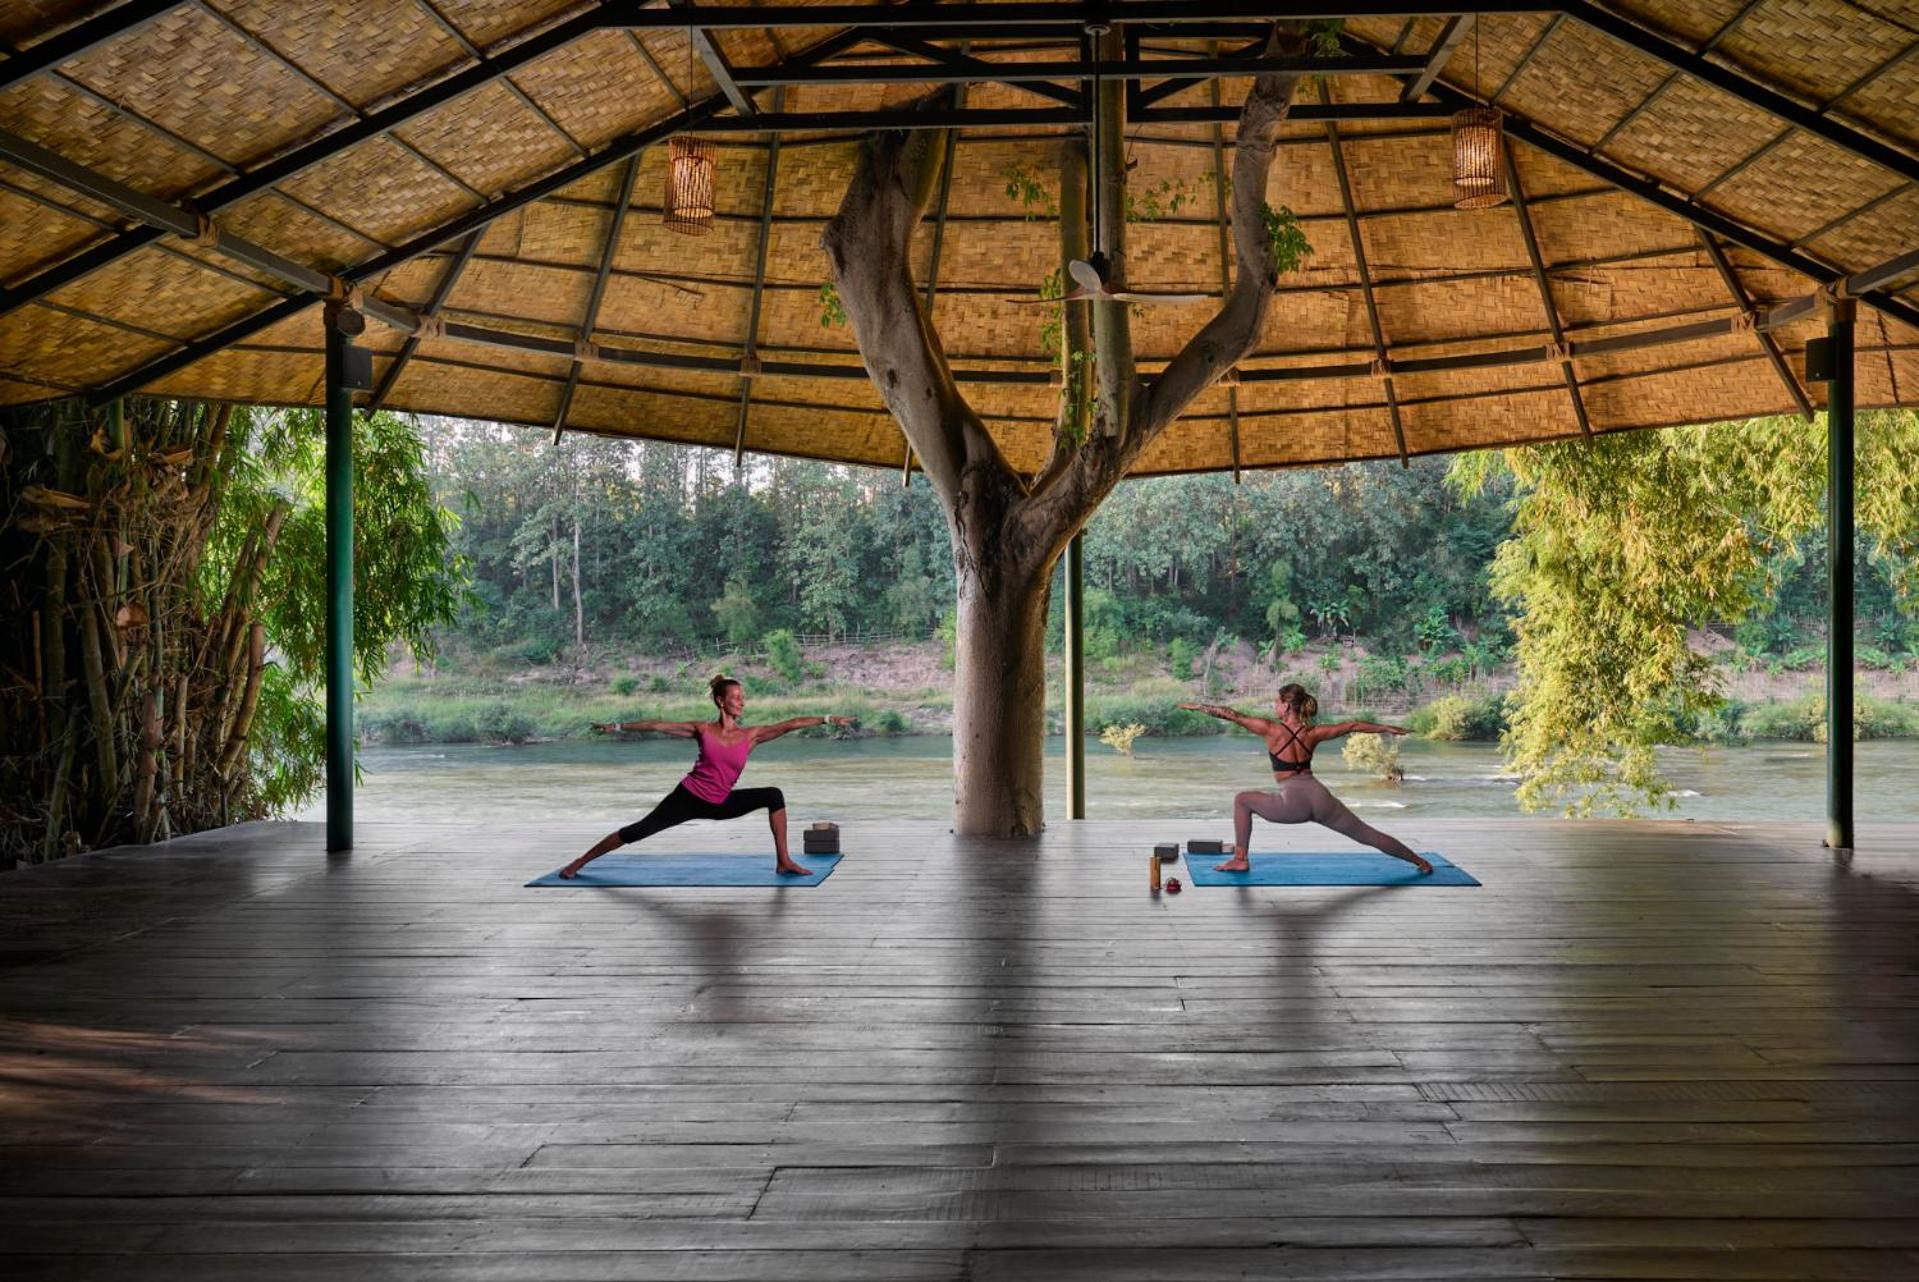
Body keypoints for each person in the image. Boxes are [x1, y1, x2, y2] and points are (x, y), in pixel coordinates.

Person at [559, 674, 855, 879]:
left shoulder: (750, 736)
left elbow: (791, 723)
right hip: (686, 798)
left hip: (720, 803)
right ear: (720, 701)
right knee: (636, 832)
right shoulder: (702, 729)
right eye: (736, 698)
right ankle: (579, 861)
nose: (742, 702)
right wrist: (618, 727)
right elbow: (658, 725)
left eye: (743, 698)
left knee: (773, 795)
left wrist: (829, 719)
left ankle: (783, 861)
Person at [1178, 683, 1432, 876]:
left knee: (1242, 800)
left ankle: (1241, 858)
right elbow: (1353, 725)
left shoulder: (1271, 729)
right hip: (1320, 797)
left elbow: (1231, 714)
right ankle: (1419, 861)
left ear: (1286, 706)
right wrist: (1389, 728)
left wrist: (1199, 707)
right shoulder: (1314, 732)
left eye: (1276, 702)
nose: (1274, 707)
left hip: (1293, 802)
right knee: (1367, 834)